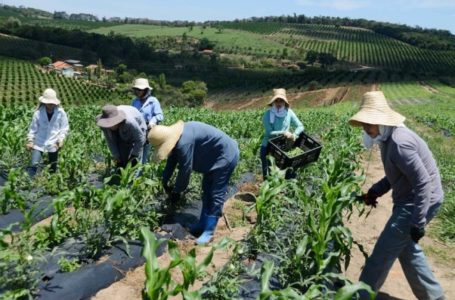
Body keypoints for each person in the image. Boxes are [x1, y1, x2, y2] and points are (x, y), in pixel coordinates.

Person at [349, 91, 444, 300]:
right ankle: (435, 297)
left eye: (368, 123)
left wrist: (418, 222)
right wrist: (375, 190)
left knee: (382, 253)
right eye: (363, 123)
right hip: (414, 199)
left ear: (381, 121)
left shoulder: (400, 144)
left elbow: (423, 183)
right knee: (407, 249)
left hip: (419, 201)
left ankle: (361, 296)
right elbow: (397, 175)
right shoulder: (388, 139)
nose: (365, 128)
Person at [148, 121, 239, 245]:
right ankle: (202, 223)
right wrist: (163, 181)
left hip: (226, 156)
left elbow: (185, 170)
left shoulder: (184, 142)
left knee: (216, 193)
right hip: (212, 159)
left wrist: (177, 191)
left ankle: (209, 231)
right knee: (206, 190)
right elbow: (171, 163)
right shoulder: (176, 139)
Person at [260, 88, 303, 178]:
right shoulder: (267, 114)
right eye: (276, 100)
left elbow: (300, 126)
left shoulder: (289, 113)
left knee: (287, 173)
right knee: (268, 174)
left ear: (285, 102)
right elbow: (269, 132)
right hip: (268, 147)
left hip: (283, 148)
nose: (279, 103)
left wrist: (294, 135)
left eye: (281, 100)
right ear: (273, 102)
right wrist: (283, 132)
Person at [26, 88, 69, 176]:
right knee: (34, 165)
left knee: (53, 167)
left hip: (54, 142)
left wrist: (61, 139)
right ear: (44, 102)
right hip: (39, 142)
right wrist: (30, 141)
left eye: (52, 103)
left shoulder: (61, 113)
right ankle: (33, 183)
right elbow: (33, 129)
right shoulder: (38, 113)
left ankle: (50, 180)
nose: (51, 105)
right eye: (48, 103)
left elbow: (64, 128)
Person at [96, 104, 146, 169]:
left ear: (117, 121)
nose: (110, 126)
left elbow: (140, 139)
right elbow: (110, 141)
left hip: (137, 130)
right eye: (108, 123)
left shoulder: (130, 122)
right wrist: (117, 159)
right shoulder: (104, 126)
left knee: (134, 165)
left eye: (111, 123)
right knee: (123, 160)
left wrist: (134, 156)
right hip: (122, 132)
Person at [131, 78, 164, 164]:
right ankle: (134, 174)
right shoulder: (135, 101)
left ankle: (139, 174)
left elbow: (160, 115)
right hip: (136, 130)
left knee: (143, 156)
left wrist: (153, 121)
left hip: (148, 130)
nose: (137, 91)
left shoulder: (153, 101)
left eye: (140, 90)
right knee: (135, 155)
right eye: (136, 89)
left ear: (146, 90)